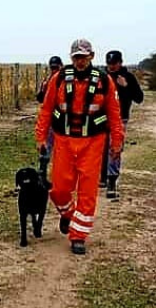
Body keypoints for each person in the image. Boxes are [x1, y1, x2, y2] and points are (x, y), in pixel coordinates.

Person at [36, 39, 124, 255]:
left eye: (83, 57)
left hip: (93, 143)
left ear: (91, 56)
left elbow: (114, 113)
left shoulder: (104, 81)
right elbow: (46, 109)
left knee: (87, 191)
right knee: (58, 190)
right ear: (71, 57)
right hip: (64, 141)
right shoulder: (58, 79)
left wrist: (117, 141)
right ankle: (68, 214)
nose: (80, 61)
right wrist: (40, 138)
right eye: (76, 57)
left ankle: (78, 236)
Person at [101, 50, 144, 199]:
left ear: (120, 62)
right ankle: (102, 177)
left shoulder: (128, 77)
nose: (111, 66)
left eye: (114, 63)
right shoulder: (102, 77)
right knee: (101, 147)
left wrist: (126, 87)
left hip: (120, 118)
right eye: (109, 64)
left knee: (115, 148)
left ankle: (112, 180)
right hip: (101, 118)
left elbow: (139, 98)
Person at [37, 56, 63, 165]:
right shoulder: (48, 81)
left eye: (56, 68)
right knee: (46, 146)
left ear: (61, 67)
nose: (54, 70)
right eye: (52, 68)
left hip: (63, 120)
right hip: (50, 119)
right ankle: (42, 172)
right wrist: (43, 90)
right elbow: (40, 100)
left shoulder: (65, 80)